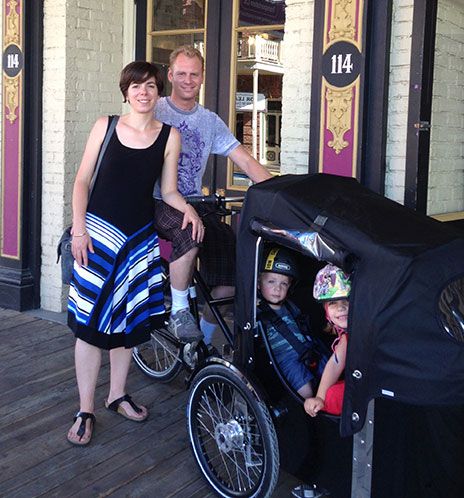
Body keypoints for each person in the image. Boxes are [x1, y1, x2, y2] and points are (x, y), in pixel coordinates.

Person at [66, 61, 203, 446]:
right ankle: (85, 408)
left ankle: (117, 395)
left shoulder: (169, 135)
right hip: (95, 237)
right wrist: (78, 228)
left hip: (137, 240)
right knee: (91, 327)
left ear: (159, 93)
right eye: (136, 86)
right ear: (126, 92)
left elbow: (170, 191)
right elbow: (82, 180)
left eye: (151, 86)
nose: (143, 92)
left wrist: (187, 209)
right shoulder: (105, 126)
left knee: (127, 327)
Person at [153, 45, 272, 345]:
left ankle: (200, 345)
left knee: (232, 271)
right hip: (157, 200)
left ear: (203, 77)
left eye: (194, 74)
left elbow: (244, 160)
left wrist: (277, 193)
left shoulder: (209, 120)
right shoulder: (156, 109)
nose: (187, 80)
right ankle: (179, 312)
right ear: (170, 75)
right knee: (189, 235)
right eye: (181, 73)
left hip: (194, 201)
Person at [257, 246, 329, 398]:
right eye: (271, 281)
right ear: (258, 283)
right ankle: (307, 413)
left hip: (309, 350)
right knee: (306, 392)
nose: (277, 288)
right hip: (285, 359)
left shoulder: (290, 305)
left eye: (284, 284)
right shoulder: (257, 311)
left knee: (331, 375)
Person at [304, 264, 351, 417]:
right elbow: (335, 364)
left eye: (347, 300)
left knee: (334, 397)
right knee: (330, 396)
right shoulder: (346, 338)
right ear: (326, 311)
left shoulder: (367, 330)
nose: (341, 308)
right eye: (333, 303)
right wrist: (320, 397)